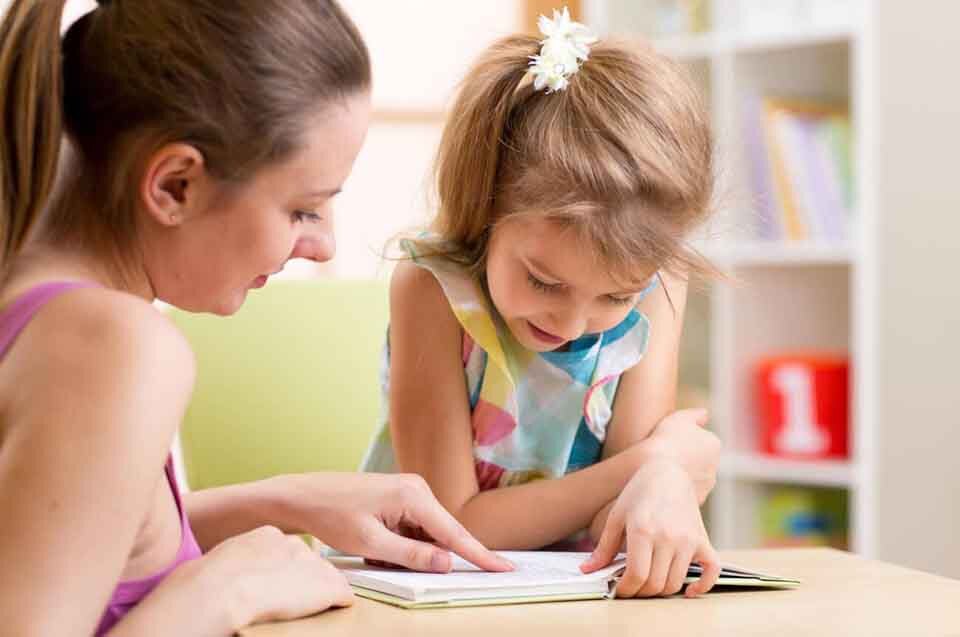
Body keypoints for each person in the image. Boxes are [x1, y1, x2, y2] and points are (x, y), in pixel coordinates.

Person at [0, 1, 510, 635]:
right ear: (174, 186)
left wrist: (286, 501)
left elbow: (72, 538)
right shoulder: (115, 348)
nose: (321, 245)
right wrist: (220, 593)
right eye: (301, 209)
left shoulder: (29, 291)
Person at [362, 8, 722, 599]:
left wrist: (662, 483)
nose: (573, 322)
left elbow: (620, 518)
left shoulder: (661, 284)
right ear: (487, 210)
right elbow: (453, 523)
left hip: (573, 594)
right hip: (430, 588)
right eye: (545, 282)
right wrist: (655, 463)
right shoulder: (430, 288)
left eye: (616, 295)